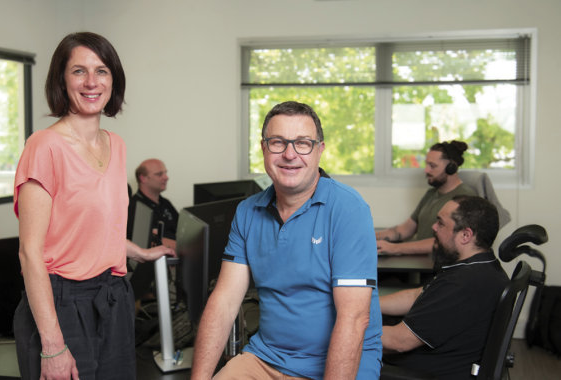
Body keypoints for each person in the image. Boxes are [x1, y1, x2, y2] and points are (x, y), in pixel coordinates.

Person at [12, 32, 174, 380]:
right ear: (61, 79)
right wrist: (53, 345)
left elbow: (96, 229)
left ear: (114, 80)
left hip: (113, 295)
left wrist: (140, 253)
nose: (91, 82)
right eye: (78, 71)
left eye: (101, 71)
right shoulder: (44, 146)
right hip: (60, 303)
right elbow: (29, 253)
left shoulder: (116, 144)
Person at [191, 101, 382, 380]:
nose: (290, 154)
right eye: (278, 142)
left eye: (303, 143)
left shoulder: (348, 209)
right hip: (265, 358)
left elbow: (354, 320)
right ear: (264, 149)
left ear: (320, 150)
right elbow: (223, 303)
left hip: (335, 362)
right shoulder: (247, 211)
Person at [380, 195, 508, 380]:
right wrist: (365, 303)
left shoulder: (461, 284)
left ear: (465, 235)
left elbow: (398, 341)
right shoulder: (483, 266)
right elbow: (416, 296)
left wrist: (342, 326)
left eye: (440, 223)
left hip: (419, 373)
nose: (433, 227)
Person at [376, 140, 476, 255]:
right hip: (420, 263)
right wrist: (368, 237)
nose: (426, 170)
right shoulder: (431, 193)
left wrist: (394, 248)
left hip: (437, 268)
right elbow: (405, 229)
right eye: (427, 164)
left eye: (432, 166)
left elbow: (447, 241)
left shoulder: (464, 198)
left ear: (451, 167)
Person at [126, 159, 179, 304]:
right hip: (147, 278)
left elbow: (182, 230)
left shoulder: (165, 203)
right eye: (159, 174)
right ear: (143, 178)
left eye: (165, 173)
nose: (166, 177)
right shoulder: (134, 208)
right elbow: (153, 242)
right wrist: (189, 247)